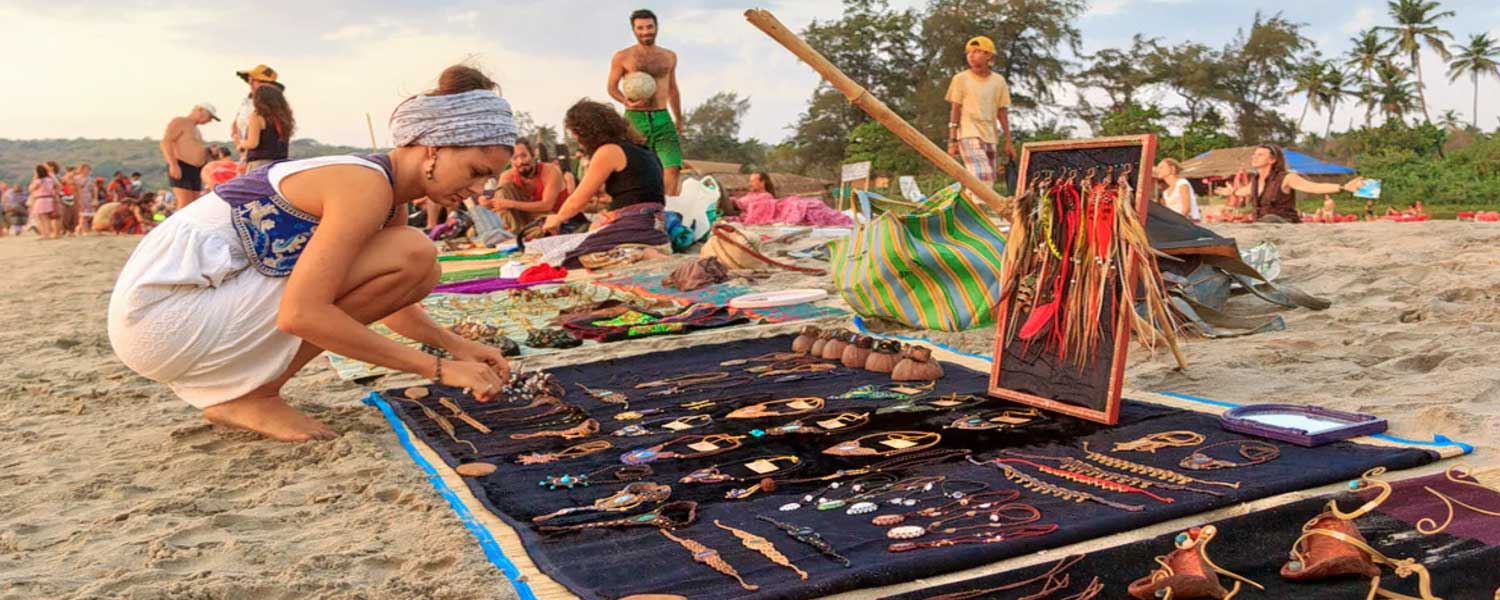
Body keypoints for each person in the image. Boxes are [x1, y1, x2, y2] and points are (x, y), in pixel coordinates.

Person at [108, 64, 517, 443]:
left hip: (171, 319)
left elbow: (391, 300)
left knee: (416, 266)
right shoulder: (364, 186)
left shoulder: (386, 194)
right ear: (432, 147)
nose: (480, 189)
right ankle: (254, 395)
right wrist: (438, 369)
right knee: (415, 254)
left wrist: (452, 344)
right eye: (477, 171)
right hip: (165, 316)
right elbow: (300, 314)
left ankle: (251, 392)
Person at [542, 99, 671, 268]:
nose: (578, 142)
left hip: (636, 226)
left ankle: (640, 254)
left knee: (571, 258)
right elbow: (639, 192)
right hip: (657, 229)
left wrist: (557, 218)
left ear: (587, 132)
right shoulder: (643, 150)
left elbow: (578, 200)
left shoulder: (608, 151)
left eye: (577, 136)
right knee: (593, 230)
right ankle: (644, 250)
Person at [608, 9, 684, 196]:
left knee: (672, 166)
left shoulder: (669, 56)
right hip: (635, 118)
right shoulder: (623, 57)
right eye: (640, 28)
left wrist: (679, 118)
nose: (645, 32)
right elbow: (611, 87)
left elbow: (672, 89)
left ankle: (668, 211)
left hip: (662, 116)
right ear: (634, 30)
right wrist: (625, 101)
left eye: (649, 27)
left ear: (656, 27)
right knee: (636, 168)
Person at [1216, 145, 1363, 224]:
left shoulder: (1287, 178)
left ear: (1272, 159)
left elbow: (1313, 187)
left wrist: (1343, 187)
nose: (1254, 157)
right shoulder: (1255, 181)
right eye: (1254, 154)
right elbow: (1242, 192)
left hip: (1283, 223)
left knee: (1269, 218)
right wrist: (1231, 193)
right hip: (1260, 224)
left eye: (1260, 154)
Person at [945, 36, 1015, 198]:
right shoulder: (961, 79)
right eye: (969, 52)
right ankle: (972, 215)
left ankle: (967, 214)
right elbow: (955, 108)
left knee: (988, 179)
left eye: (976, 52)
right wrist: (952, 140)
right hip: (968, 133)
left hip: (990, 135)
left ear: (988, 55)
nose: (971, 55)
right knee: (983, 175)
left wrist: (1008, 142)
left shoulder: (998, 81)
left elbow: (1001, 112)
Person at [487, 139, 586, 235]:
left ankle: (517, 233)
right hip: (529, 222)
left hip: (560, 220)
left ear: (533, 154)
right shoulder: (508, 176)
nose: (520, 161)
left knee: (545, 221)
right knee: (503, 191)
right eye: (515, 158)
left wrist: (510, 204)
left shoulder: (550, 170)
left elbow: (547, 205)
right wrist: (489, 203)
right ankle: (513, 232)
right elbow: (500, 204)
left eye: (524, 156)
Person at [161, 102, 218, 210]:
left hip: (195, 170)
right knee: (184, 204)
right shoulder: (180, 121)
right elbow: (166, 142)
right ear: (200, 110)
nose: (209, 121)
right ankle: (178, 227)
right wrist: (173, 164)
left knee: (194, 205)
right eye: (209, 117)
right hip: (182, 165)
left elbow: (191, 148)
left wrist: (209, 151)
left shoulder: (196, 129)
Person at [232, 64, 284, 164]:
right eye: (250, 80)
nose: (250, 83)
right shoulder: (281, 108)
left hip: (258, 159)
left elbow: (252, 142)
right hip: (266, 158)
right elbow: (236, 128)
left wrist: (241, 144)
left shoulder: (258, 109)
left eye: (255, 81)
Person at [238, 84, 295, 171]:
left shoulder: (257, 116)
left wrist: (241, 144)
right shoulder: (283, 118)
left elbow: (253, 143)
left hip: (261, 164)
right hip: (281, 164)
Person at [28, 164, 61, 239]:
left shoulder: (38, 181)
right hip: (49, 199)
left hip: (40, 199)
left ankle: (45, 234)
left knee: (41, 218)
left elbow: (30, 189)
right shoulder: (50, 180)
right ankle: (48, 233)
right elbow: (58, 186)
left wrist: (34, 179)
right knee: (47, 218)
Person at [70, 164, 99, 235]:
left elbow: (94, 189)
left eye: (88, 170)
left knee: (88, 215)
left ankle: (80, 228)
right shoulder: (76, 178)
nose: (87, 171)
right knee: (82, 214)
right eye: (85, 169)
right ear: (81, 170)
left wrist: (95, 198)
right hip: (79, 197)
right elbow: (73, 188)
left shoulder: (91, 179)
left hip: (88, 197)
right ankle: (84, 230)